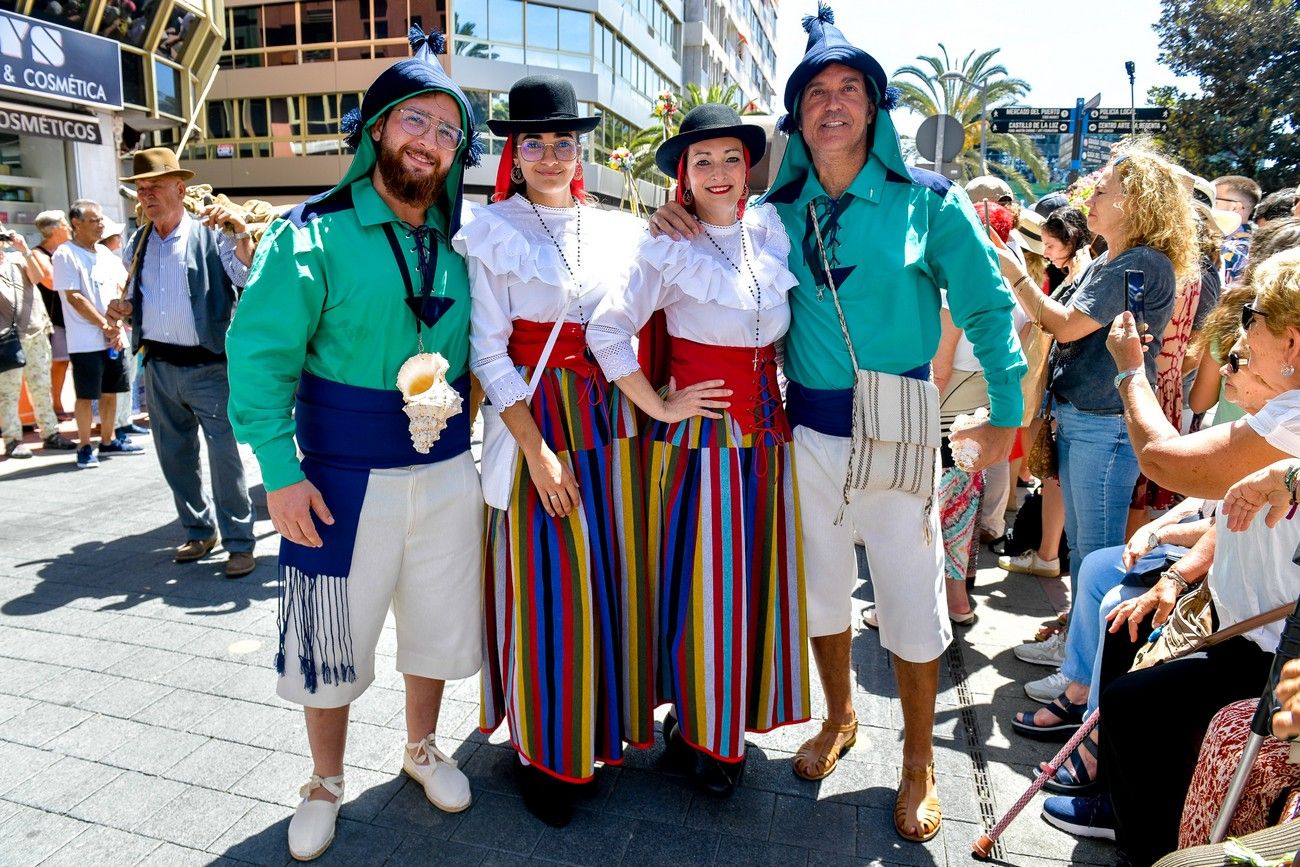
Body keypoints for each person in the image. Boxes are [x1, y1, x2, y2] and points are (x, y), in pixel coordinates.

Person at [652, 6, 1025, 842]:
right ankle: (840, 716)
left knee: (910, 602)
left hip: (898, 434)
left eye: (848, 88)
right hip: (804, 437)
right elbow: (706, 249)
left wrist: (1007, 415)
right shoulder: (769, 211)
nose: (831, 103)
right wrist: (670, 215)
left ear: (874, 105)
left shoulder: (929, 202)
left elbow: (989, 309)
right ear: (795, 114)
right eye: (815, 90)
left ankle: (921, 759)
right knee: (819, 591)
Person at [225, 27, 483, 861]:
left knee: (438, 624)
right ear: (376, 128)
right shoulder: (309, 234)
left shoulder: (461, 243)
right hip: (338, 473)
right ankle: (324, 779)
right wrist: (279, 474)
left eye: (450, 131)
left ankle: (420, 747)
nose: (433, 142)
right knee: (327, 636)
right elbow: (260, 362)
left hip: (446, 466)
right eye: (417, 120)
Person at [1042, 248, 1300, 864]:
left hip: (1270, 648)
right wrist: (1178, 577)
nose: (1243, 331)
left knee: (1139, 703)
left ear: (1291, 341)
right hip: (1238, 621)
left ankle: (1155, 849)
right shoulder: (1283, 415)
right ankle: (1117, 801)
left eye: (1255, 318)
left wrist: (1130, 371)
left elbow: (1165, 459)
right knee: (1127, 627)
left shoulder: (1290, 420)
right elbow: (1234, 517)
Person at [586, 103, 809, 796]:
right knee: (706, 589)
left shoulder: (770, 229)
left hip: (766, 442)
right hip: (702, 445)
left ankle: (713, 723)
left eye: (732, 159)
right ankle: (710, 737)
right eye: (702, 160)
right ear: (684, 172)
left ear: (751, 168)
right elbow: (607, 331)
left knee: (746, 589)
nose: (719, 172)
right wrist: (659, 403)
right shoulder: (666, 247)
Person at [451, 74, 650, 827]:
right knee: (546, 587)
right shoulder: (492, 227)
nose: (549, 155)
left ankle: (592, 732)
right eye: (532, 141)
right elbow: (489, 353)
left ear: (579, 148)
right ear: (514, 149)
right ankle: (545, 750)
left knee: (602, 580)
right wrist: (536, 451)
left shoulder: (614, 227)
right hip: (533, 422)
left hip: (602, 421)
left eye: (563, 141)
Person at [991, 148, 1196, 607]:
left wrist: (1016, 274)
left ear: (1138, 201)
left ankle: (1085, 665)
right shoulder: (1115, 259)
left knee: (1095, 553)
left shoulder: (1140, 262)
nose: (1089, 200)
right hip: (1090, 418)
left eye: (1102, 192)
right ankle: (1077, 647)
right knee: (1086, 548)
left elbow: (1063, 324)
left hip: (1104, 423)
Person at [107, 149, 255, 577]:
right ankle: (198, 529)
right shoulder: (137, 243)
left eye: (155, 187)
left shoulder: (211, 233)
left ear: (180, 188)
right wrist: (123, 308)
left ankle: (240, 542)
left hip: (210, 366)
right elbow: (138, 296)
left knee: (224, 457)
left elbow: (245, 278)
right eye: (140, 189)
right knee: (175, 456)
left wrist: (241, 233)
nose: (146, 196)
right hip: (158, 366)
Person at [52, 199, 144, 469]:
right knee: (85, 395)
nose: (101, 224)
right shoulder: (65, 254)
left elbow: (120, 288)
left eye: (101, 219)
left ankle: (108, 439)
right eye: (94, 220)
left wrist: (116, 324)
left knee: (111, 392)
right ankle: (83, 446)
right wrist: (105, 325)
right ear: (76, 224)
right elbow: (75, 298)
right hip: (85, 341)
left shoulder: (104, 254)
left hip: (113, 337)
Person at [0, 229, 63, 458]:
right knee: (8, 392)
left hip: (35, 331)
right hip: (6, 337)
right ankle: (12, 439)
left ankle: (51, 433)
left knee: (41, 386)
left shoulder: (18, 259)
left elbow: (39, 278)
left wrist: (25, 250)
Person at [27, 211, 75, 426]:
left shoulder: (68, 250)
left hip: (72, 316)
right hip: (53, 319)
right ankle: (55, 405)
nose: (70, 228)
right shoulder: (38, 254)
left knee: (67, 362)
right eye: (65, 224)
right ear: (55, 229)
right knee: (59, 363)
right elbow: (52, 281)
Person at [1214, 174, 1262, 285]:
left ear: (1235, 207)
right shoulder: (1252, 244)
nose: (1206, 205)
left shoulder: (1235, 248)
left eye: (1214, 200)